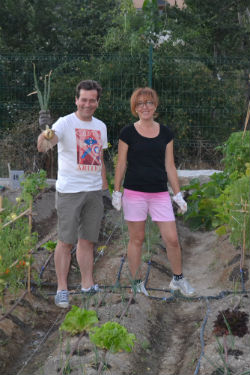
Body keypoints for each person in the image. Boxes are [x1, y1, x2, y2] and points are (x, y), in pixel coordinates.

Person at [112, 87, 195, 296]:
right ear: (135, 108)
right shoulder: (127, 133)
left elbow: (170, 165)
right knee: (136, 239)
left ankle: (178, 279)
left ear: (155, 105)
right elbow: (121, 163)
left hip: (159, 193)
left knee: (172, 239)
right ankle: (137, 282)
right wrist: (116, 190)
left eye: (149, 102)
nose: (145, 107)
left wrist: (177, 194)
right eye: (140, 103)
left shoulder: (166, 133)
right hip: (134, 193)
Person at [37, 80, 109, 308]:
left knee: (87, 240)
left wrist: (105, 188)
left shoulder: (101, 126)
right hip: (70, 192)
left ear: (98, 101)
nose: (88, 104)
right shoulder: (64, 123)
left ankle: (87, 284)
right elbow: (44, 146)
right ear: (76, 100)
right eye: (84, 99)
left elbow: (100, 159)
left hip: (93, 191)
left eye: (92, 100)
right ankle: (62, 289)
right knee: (65, 241)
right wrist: (45, 133)